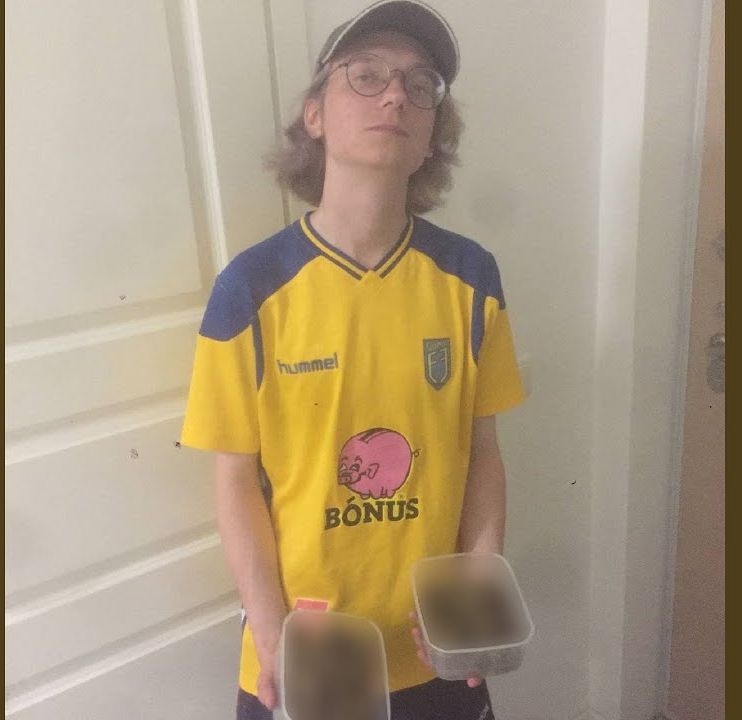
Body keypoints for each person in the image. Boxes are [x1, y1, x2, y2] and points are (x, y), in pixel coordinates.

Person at [180, 2, 525, 718]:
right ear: (314, 114)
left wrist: (478, 585)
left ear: (431, 134)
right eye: (366, 75)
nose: (395, 95)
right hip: (306, 648)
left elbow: (482, 454)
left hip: (436, 644)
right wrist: (271, 635)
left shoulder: (471, 278)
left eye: (420, 85)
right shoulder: (250, 289)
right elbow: (236, 481)